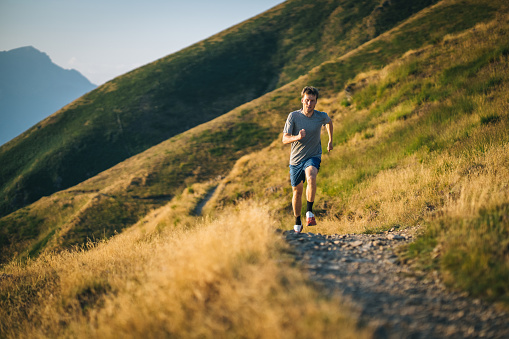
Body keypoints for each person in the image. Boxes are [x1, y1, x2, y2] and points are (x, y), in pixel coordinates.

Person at [282, 86, 333, 233]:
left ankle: (309, 212)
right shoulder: (293, 116)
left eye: (312, 101)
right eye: (307, 100)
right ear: (302, 100)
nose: (309, 104)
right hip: (296, 160)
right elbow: (284, 139)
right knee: (297, 191)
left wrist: (330, 140)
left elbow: (329, 122)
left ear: (316, 102)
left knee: (311, 176)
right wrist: (297, 137)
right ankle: (297, 221)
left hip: (313, 155)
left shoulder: (320, 116)